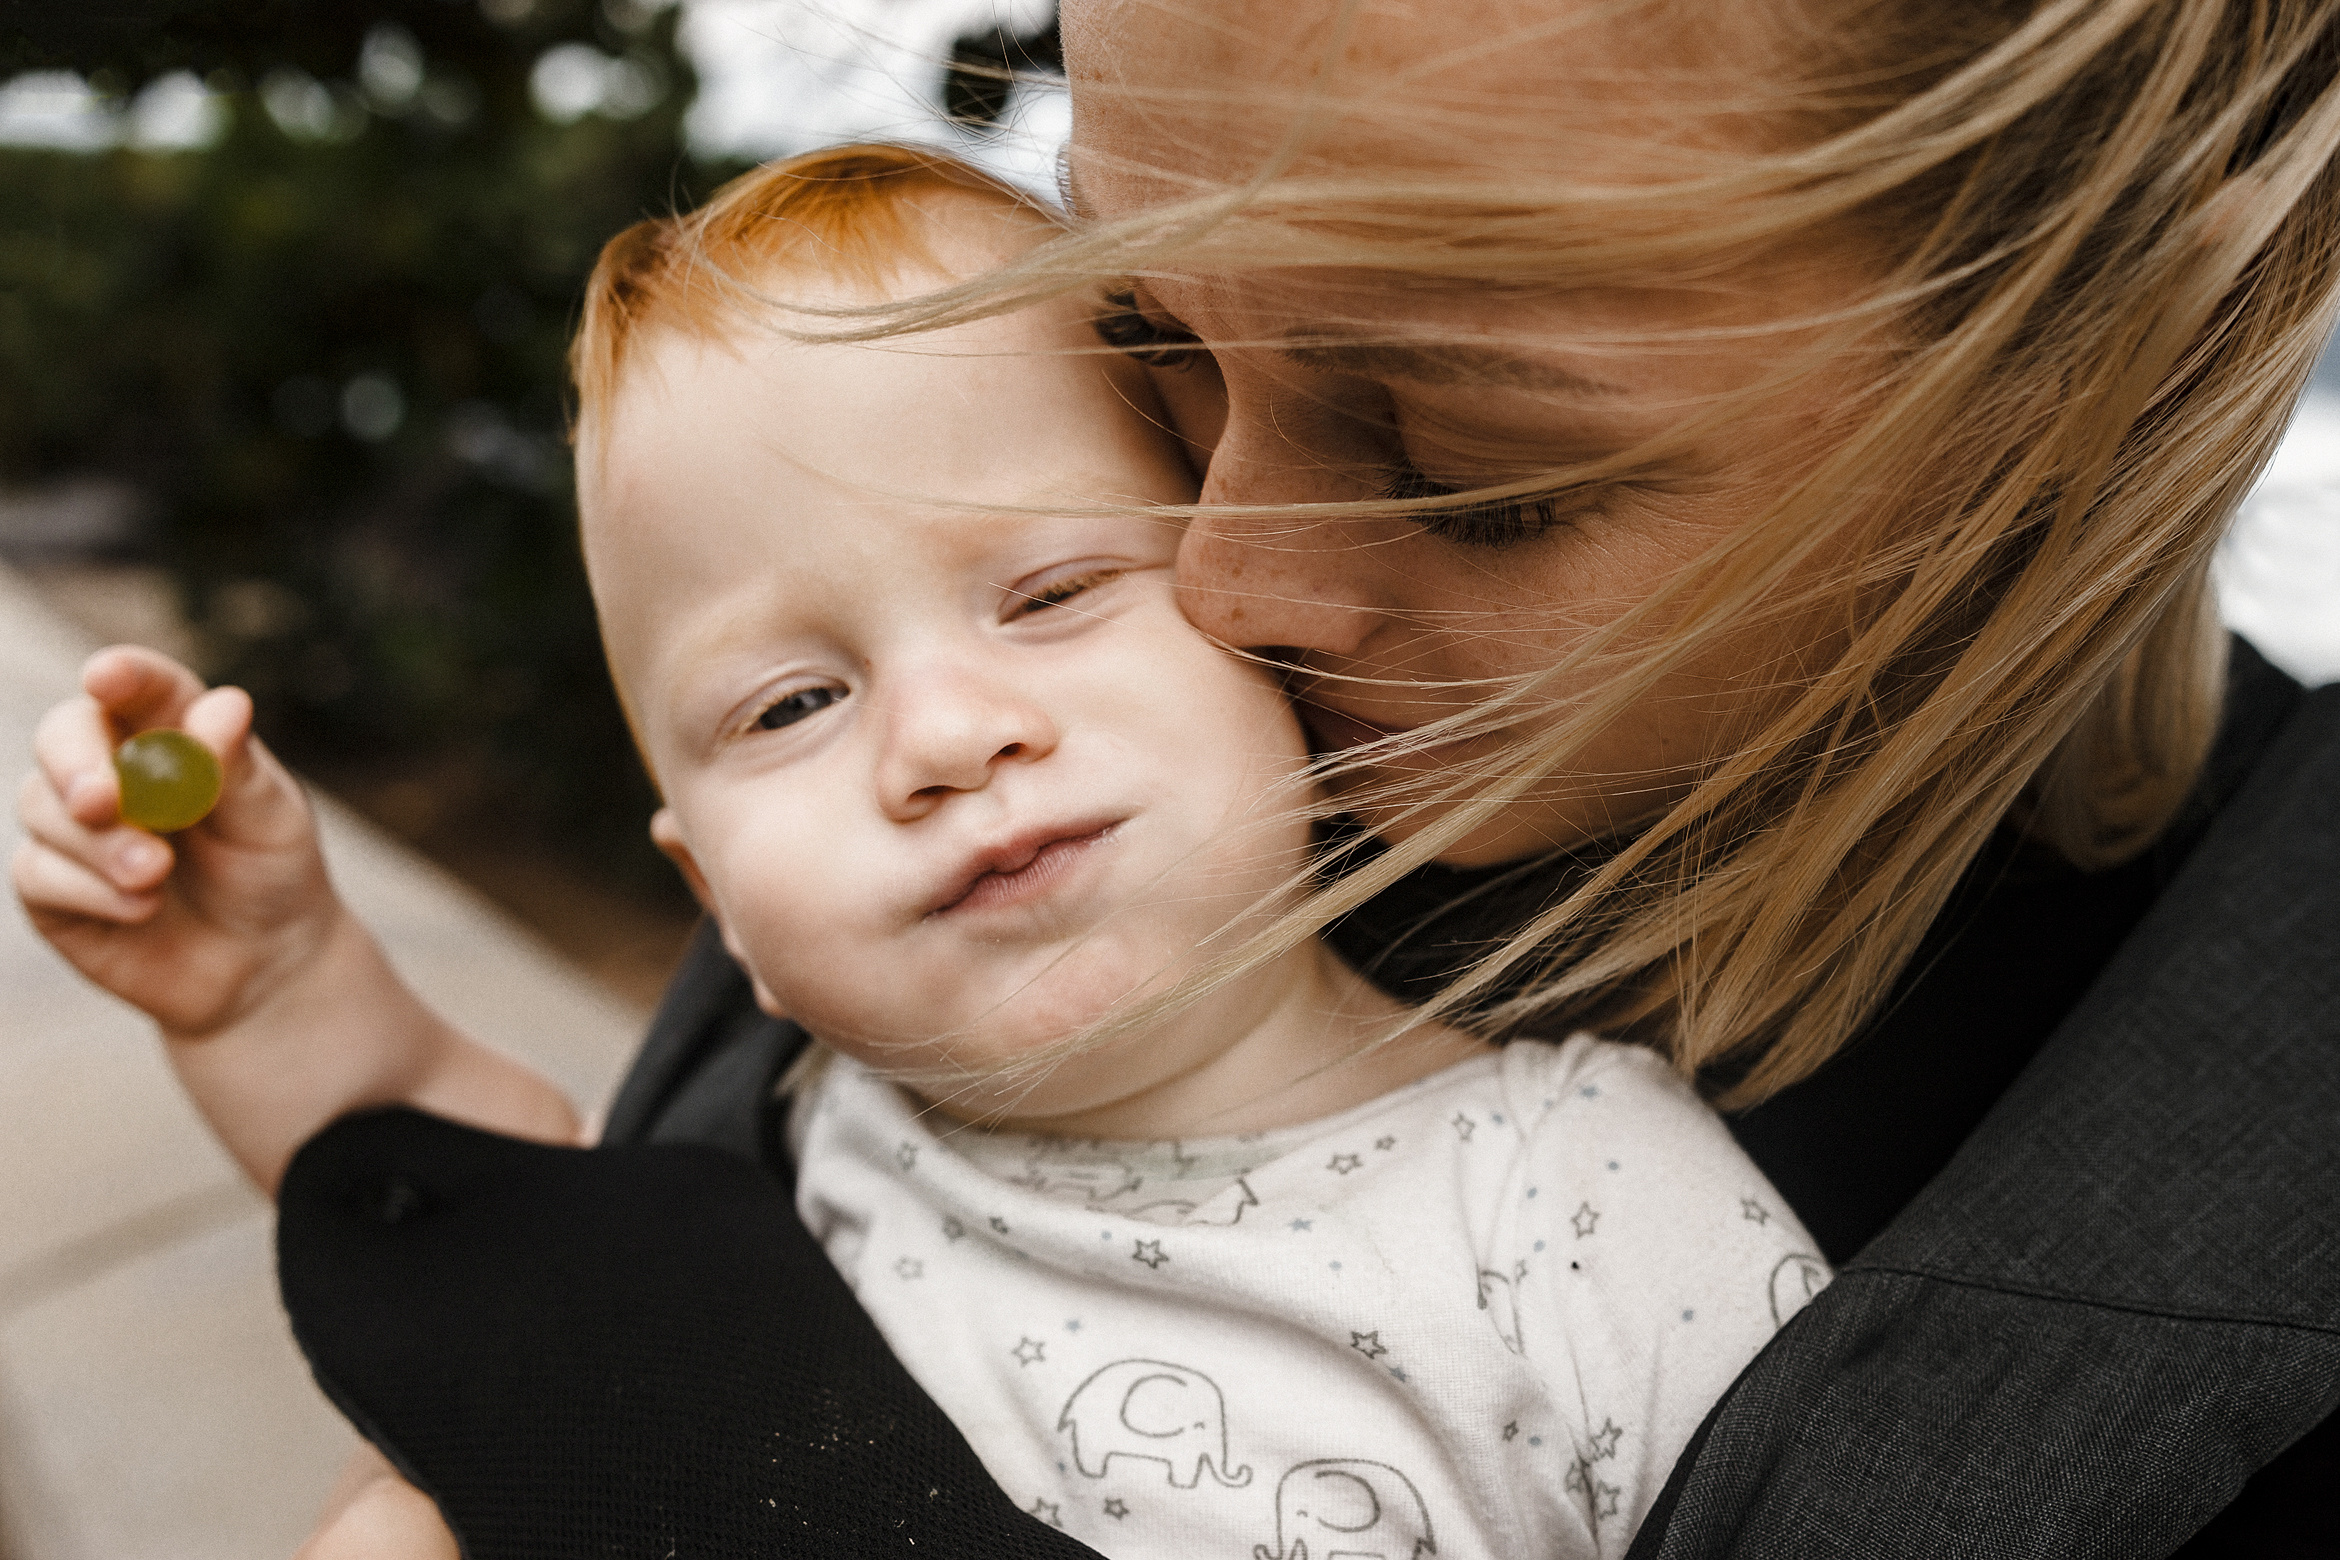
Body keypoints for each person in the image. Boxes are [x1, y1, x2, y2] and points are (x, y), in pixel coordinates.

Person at [558, 0, 2340, 1554]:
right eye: (1150, 335)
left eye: (1467, 468)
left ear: (2100, 378)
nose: (1220, 578)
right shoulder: (1022, 807)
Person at [14, 146, 1836, 1560]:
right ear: (708, 891)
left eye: (1049, 593)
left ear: (1261, 620)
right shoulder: (820, 1113)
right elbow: (482, 1197)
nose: (947, 739)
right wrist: (272, 983)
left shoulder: (1590, 1206)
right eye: (790, 707)